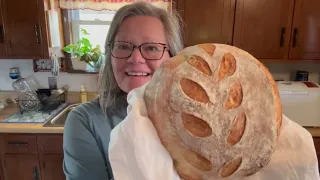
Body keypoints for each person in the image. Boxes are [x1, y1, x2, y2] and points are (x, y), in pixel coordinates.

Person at [62, 1, 183, 180]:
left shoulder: (188, 121)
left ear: (172, 57)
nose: (135, 58)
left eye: (151, 48)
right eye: (123, 46)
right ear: (110, 54)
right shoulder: (85, 121)